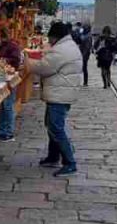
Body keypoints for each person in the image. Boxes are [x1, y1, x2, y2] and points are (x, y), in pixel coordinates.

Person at [24, 21, 82, 177]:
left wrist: (27, 60)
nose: (49, 41)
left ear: (55, 37)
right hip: (61, 92)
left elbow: (44, 68)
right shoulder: (67, 46)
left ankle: (70, 162)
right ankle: (53, 157)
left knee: (56, 127)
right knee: (51, 125)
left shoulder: (61, 51)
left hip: (60, 94)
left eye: (50, 38)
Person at [0, 28, 22, 142]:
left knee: (7, 105)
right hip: (3, 77)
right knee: (2, 106)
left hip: (10, 78)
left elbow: (16, 60)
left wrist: (2, 60)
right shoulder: (1, 46)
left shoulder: (12, 46)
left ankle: (8, 132)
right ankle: (2, 130)